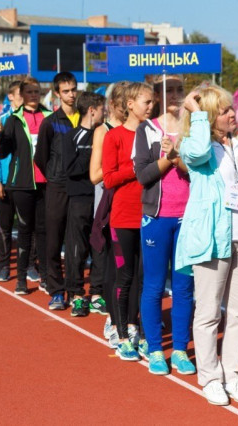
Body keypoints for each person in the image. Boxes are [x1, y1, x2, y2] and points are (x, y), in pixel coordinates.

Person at [175, 83, 238, 404]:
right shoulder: (194, 145)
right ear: (208, 118)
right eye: (224, 111)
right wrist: (195, 115)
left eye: (231, 108)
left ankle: (233, 375)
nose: (233, 114)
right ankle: (210, 377)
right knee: (209, 313)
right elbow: (196, 153)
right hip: (212, 239)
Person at [134, 75, 196, 376]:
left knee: (184, 287)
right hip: (157, 218)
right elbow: (143, 176)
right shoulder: (147, 129)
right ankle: (156, 349)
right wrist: (167, 157)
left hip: (188, 218)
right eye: (168, 90)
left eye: (179, 89)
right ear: (158, 95)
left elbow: (197, 172)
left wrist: (179, 156)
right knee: (155, 285)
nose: (174, 94)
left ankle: (181, 349)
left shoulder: (193, 127)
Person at [102, 82, 152, 361]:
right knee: (126, 276)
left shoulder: (154, 132)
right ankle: (122, 336)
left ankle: (141, 332)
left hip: (151, 215)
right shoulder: (114, 136)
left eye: (153, 102)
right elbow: (108, 178)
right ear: (130, 104)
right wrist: (135, 168)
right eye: (146, 102)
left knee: (147, 279)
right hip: (123, 216)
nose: (151, 107)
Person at [0, 77, 50, 295]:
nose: (33, 95)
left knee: (44, 231)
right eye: (29, 92)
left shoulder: (49, 117)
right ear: (22, 95)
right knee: (25, 231)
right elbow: (2, 152)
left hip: (46, 183)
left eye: (36, 91)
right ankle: (21, 280)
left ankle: (45, 277)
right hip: (22, 183)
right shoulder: (13, 119)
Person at [90, 82, 129, 346]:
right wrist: (127, 168)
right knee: (114, 266)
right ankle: (113, 319)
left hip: (136, 205)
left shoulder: (143, 129)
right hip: (110, 206)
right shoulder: (103, 131)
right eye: (126, 101)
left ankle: (132, 317)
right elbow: (95, 176)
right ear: (114, 104)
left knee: (134, 268)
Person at [35, 71, 79, 304]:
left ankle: (75, 289)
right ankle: (56, 290)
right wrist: (54, 175)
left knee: (76, 242)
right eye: (66, 91)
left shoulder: (86, 118)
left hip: (81, 188)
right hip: (57, 187)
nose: (71, 95)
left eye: (73, 90)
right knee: (54, 239)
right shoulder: (50, 122)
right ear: (57, 94)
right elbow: (41, 157)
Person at [61, 91, 105, 316]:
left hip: (101, 198)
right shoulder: (72, 136)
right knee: (77, 248)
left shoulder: (105, 133)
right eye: (102, 109)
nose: (105, 112)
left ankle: (97, 293)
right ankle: (77, 295)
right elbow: (70, 168)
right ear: (92, 110)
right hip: (79, 198)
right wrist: (93, 157)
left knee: (100, 246)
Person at [0, 80, 23, 281]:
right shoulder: (0, 121)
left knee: (28, 226)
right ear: (11, 96)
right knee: (4, 225)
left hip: (25, 181)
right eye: (20, 93)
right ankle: (3, 264)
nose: (24, 97)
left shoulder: (30, 119)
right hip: (5, 181)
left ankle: (29, 265)